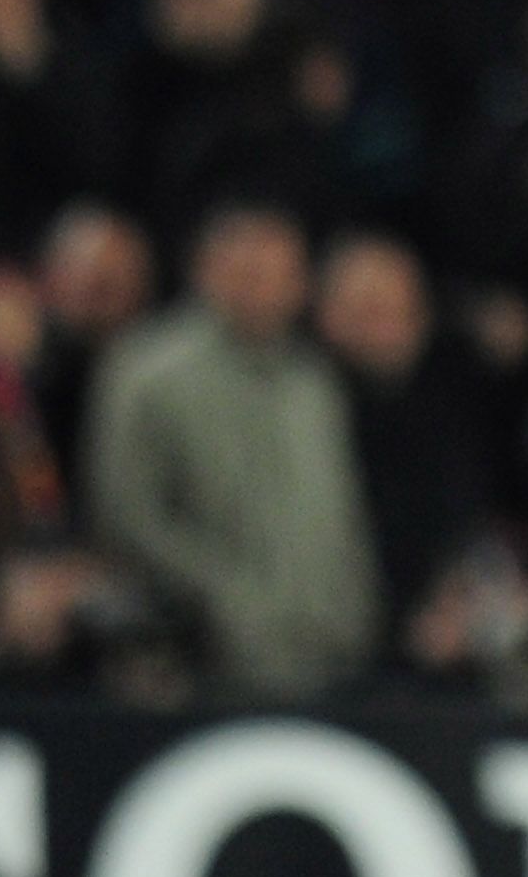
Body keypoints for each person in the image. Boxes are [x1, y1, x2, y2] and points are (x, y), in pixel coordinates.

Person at [81, 202, 381, 698]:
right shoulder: (146, 372)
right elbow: (125, 515)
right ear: (205, 270)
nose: (264, 287)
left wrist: (356, 608)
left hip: (327, 656)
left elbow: (342, 513)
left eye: (280, 273)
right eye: (248, 270)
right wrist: (227, 598)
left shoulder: (314, 381)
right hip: (199, 662)